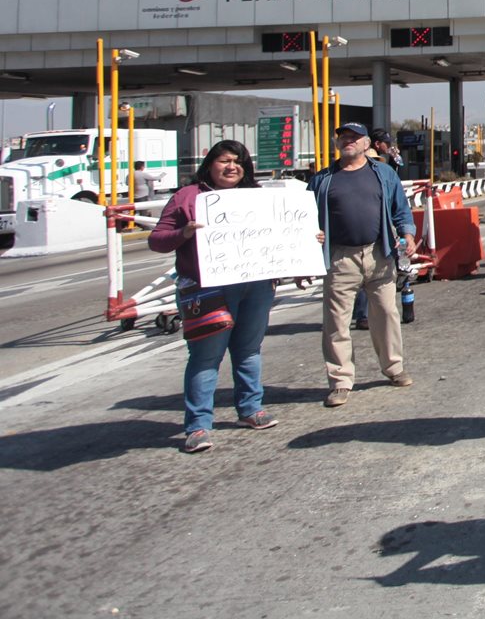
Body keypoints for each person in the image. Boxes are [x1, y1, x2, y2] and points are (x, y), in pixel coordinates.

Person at [148, 141, 278, 453]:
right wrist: (184, 233)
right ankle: (198, 426)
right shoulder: (187, 197)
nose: (231, 167)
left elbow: (281, 235)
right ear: (210, 164)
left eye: (238, 161)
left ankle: (251, 409)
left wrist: (305, 241)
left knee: (249, 351)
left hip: (255, 286)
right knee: (206, 358)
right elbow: (157, 240)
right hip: (208, 291)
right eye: (224, 161)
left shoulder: (259, 197)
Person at [302, 122, 417, 408]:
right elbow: (304, 219)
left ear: (367, 144)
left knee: (387, 314)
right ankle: (340, 381)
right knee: (336, 322)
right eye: (343, 137)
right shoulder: (322, 180)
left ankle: (393, 368)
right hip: (340, 258)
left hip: (378, 254)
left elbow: (399, 208)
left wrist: (408, 234)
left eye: (354, 138)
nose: (348, 142)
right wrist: (308, 241)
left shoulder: (384, 174)